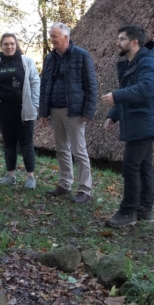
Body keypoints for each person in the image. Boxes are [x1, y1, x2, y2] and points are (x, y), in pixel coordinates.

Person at [101, 25, 154, 228]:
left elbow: (147, 89)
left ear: (134, 42)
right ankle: (144, 210)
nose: (118, 42)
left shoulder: (147, 62)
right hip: (140, 119)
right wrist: (113, 115)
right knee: (143, 165)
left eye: (122, 39)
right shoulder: (133, 62)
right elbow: (127, 89)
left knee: (131, 166)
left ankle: (128, 211)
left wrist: (116, 97)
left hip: (145, 120)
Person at [39, 23, 98, 203]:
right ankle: (64, 184)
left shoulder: (81, 55)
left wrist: (88, 110)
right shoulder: (50, 58)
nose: (52, 40)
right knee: (61, 149)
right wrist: (43, 111)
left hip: (74, 111)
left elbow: (91, 85)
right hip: (55, 110)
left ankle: (85, 190)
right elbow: (45, 85)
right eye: (51, 37)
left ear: (65, 37)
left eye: (54, 37)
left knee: (79, 151)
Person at [0, 33, 40, 189]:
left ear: (16, 44)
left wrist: (34, 103)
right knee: (9, 144)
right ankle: (11, 175)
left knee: (26, 144)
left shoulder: (25, 61)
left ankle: (30, 177)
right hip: (3, 107)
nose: (9, 47)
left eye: (12, 43)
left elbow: (35, 81)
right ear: (1, 45)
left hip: (23, 108)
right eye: (6, 44)